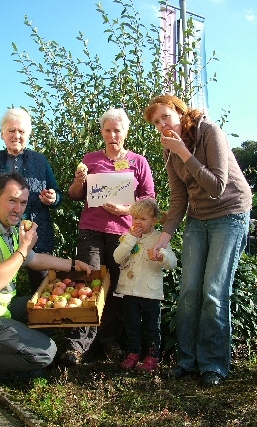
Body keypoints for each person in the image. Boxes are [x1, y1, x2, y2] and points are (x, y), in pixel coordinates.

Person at [0, 172, 91, 399]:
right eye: (12, 200)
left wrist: (73, 264)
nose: (18, 209)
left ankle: (12, 358)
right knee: (45, 352)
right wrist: (23, 249)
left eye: (22, 203)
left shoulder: (4, 230)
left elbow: (34, 259)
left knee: (48, 312)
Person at [144, 95, 252, 386]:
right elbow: (179, 198)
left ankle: (213, 365)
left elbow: (216, 186)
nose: (162, 124)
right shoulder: (169, 151)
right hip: (197, 217)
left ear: (179, 112)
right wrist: (164, 238)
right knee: (189, 291)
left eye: (166, 116)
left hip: (229, 213)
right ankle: (187, 361)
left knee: (214, 291)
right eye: (156, 122)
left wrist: (184, 153)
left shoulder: (209, 132)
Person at [60, 107, 155, 365]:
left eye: (118, 130)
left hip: (123, 234)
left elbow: (149, 198)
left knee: (116, 288)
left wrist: (128, 209)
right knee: (88, 283)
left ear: (125, 132)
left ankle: (110, 343)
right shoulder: (90, 159)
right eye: (108, 130)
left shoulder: (138, 162)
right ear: (102, 132)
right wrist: (80, 180)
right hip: (91, 230)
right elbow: (74, 194)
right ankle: (78, 346)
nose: (113, 135)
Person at [0, 108, 62, 293]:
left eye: (21, 131)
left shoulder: (40, 161)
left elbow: (57, 194)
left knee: (42, 289)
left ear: (28, 135)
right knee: (0, 285)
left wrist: (53, 198)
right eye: (11, 130)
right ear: (2, 134)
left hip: (35, 236)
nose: (16, 135)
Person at [113, 198, 177, 371]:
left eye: (143, 219)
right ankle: (133, 353)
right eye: (135, 218)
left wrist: (162, 256)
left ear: (154, 220)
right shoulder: (127, 237)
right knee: (132, 325)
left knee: (152, 327)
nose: (137, 222)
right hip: (129, 291)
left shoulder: (160, 239)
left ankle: (152, 356)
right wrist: (130, 240)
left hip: (150, 292)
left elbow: (172, 264)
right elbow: (117, 257)